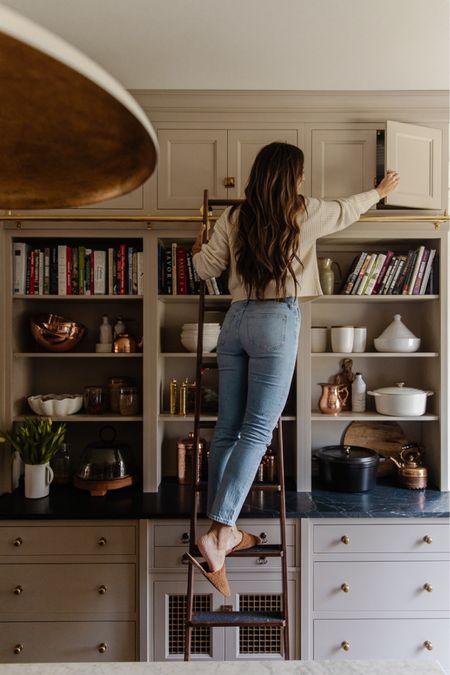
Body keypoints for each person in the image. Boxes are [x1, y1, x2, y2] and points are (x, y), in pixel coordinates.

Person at [187, 142, 399, 595]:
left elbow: (205, 268)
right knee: (259, 430)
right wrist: (379, 191)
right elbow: (347, 210)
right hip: (275, 321)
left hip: (235, 320)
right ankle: (221, 531)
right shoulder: (304, 211)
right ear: (294, 178)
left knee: (226, 430)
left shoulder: (234, 217)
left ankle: (217, 527)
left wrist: (198, 245)